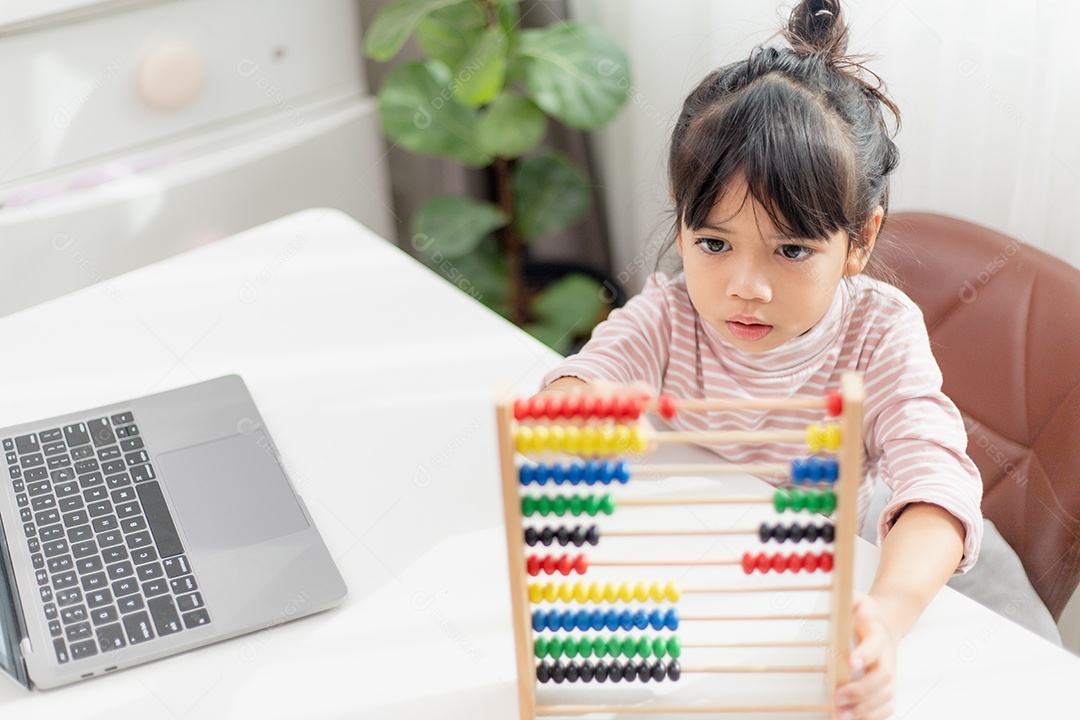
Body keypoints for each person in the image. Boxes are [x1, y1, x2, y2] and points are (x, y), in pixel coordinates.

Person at [534, 1, 983, 719]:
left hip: (842, 564)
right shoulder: (670, 315)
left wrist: (886, 620)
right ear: (681, 223)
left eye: (792, 249)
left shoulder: (878, 332)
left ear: (860, 242)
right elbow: (584, 378)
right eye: (714, 242)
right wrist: (570, 421)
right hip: (717, 587)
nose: (747, 285)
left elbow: (934, 482)